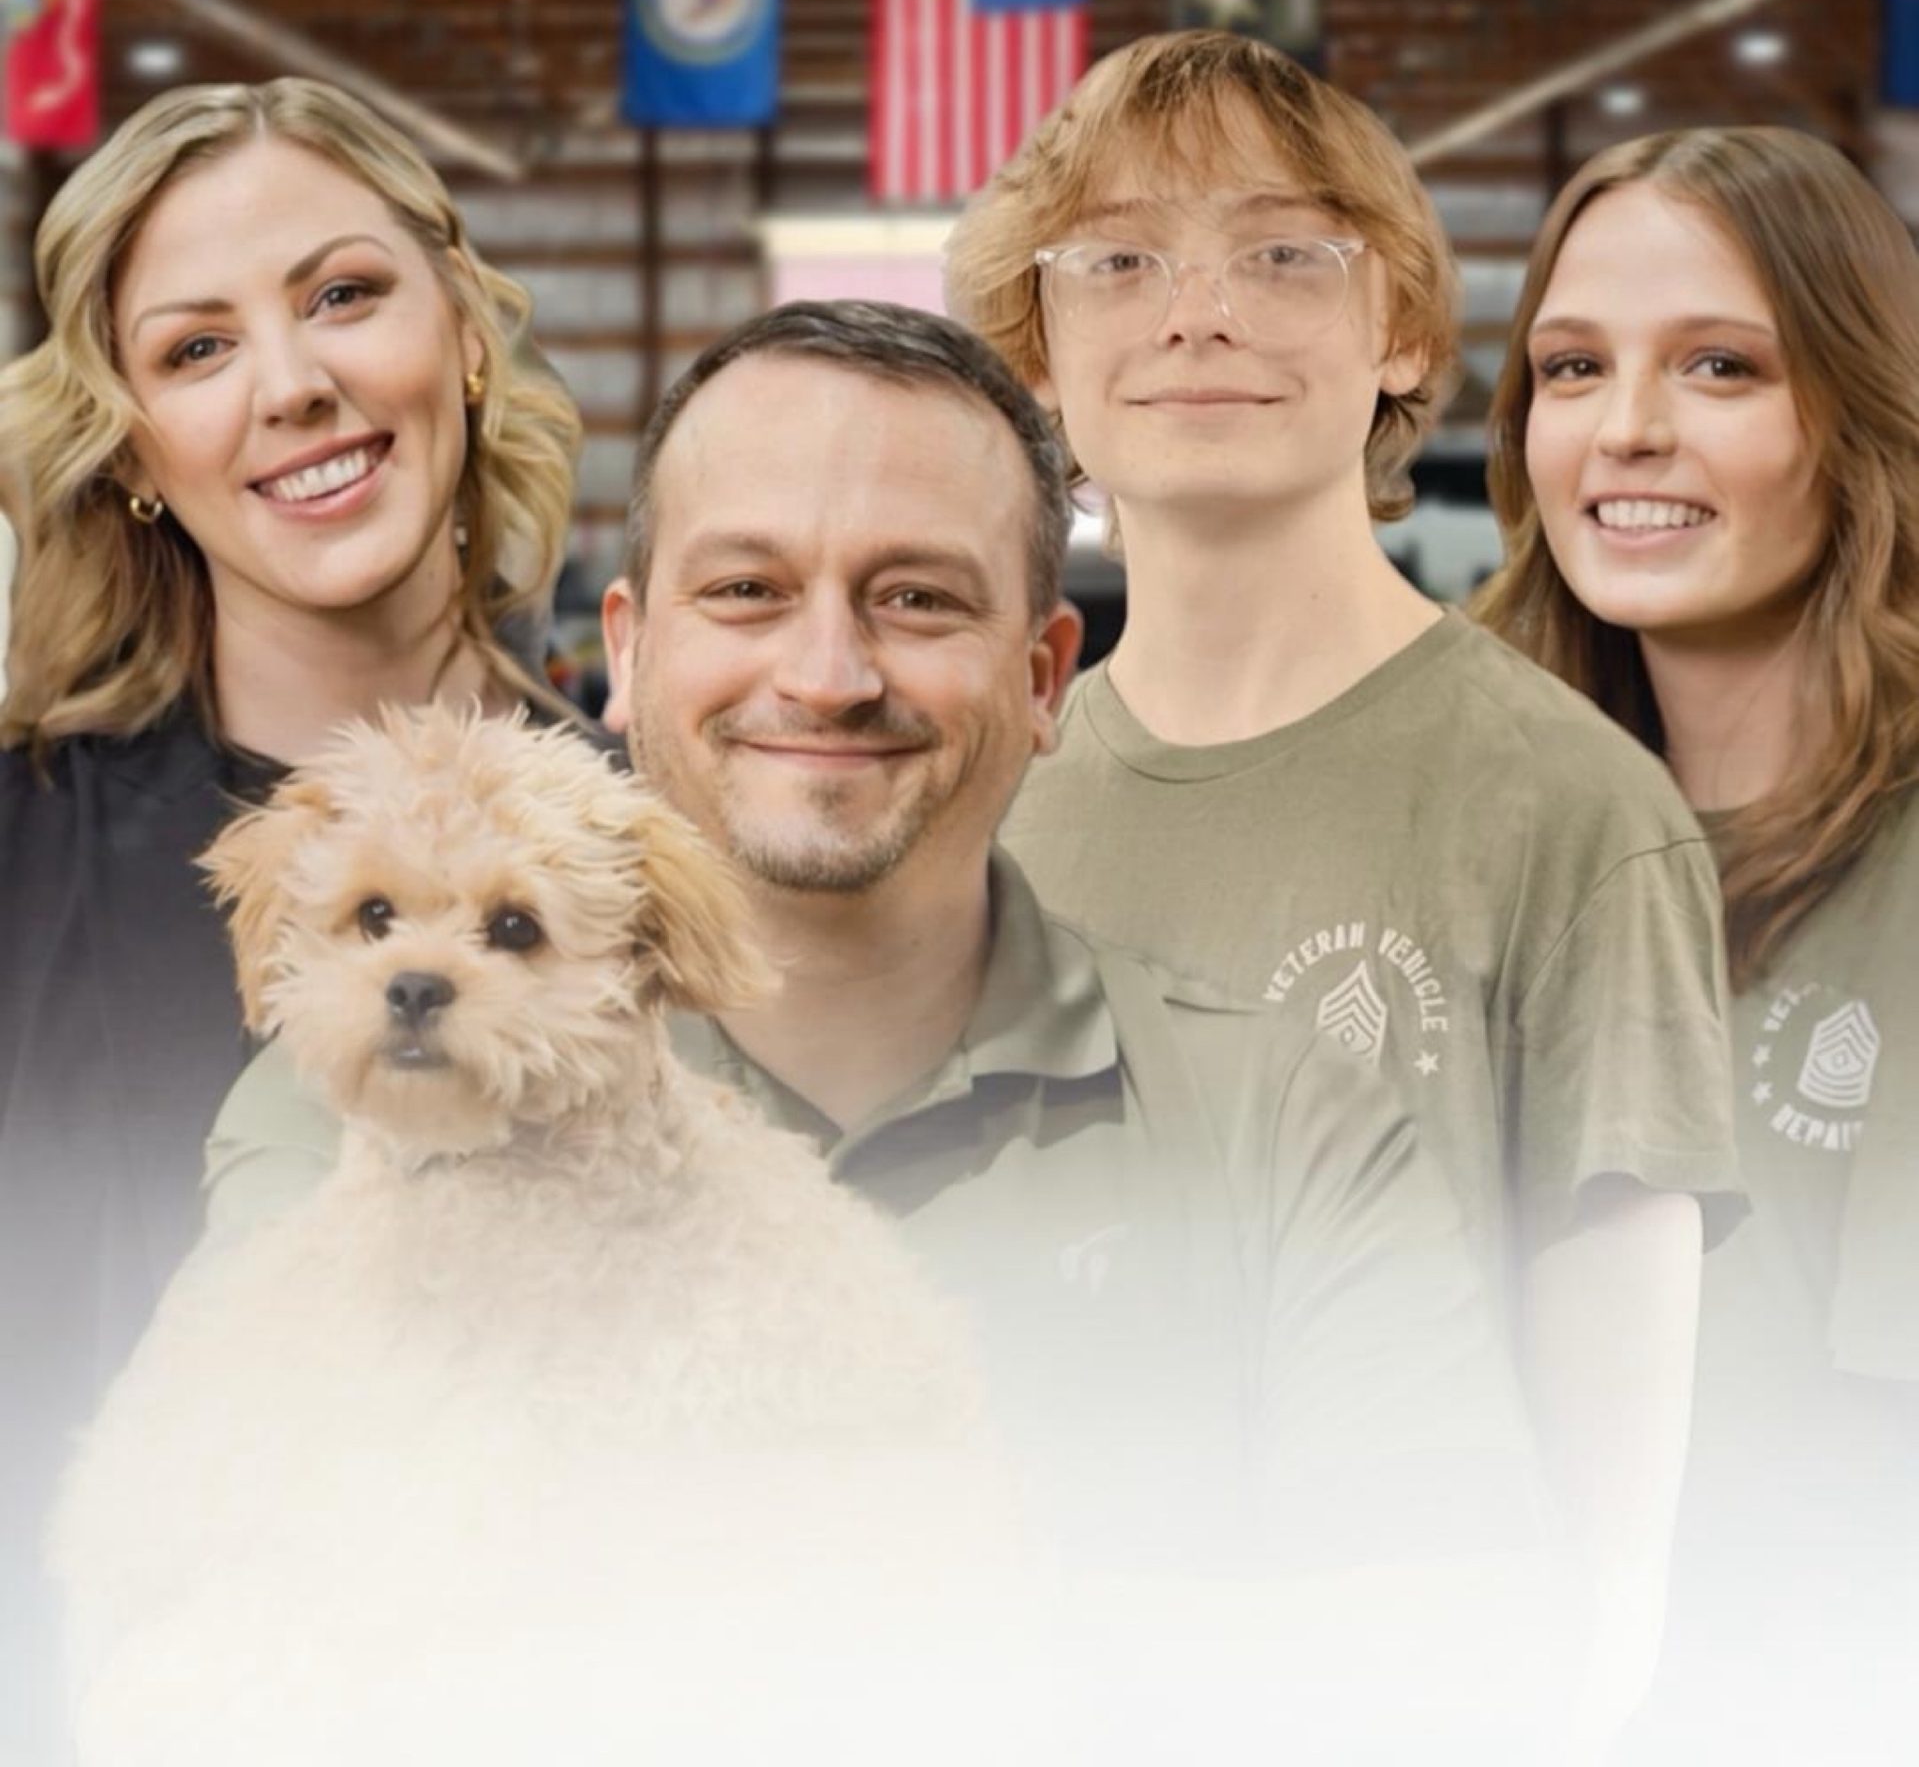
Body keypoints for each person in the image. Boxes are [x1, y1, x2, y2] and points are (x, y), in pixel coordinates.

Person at [207, 300, 1557, 1759]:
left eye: (917, 599)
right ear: (632, 653)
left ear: (1045, 677)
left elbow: (1458, 1668)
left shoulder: (1291, 1113)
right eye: (746, 591)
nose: (830, 674)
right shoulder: (349, 1109)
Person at [944, 29, 1745, 1726]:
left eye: (1282, 251)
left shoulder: (1576, 817)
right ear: (1041, 348)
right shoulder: (977, 808)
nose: (1196, 310)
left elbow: (1610, 1552)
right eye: (1121, 259)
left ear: (1397, 333)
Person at [0, 77, 582, 1765]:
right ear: (134, 453)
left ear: (463, 330)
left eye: (342, 295)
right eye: (197, 350)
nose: (295, 382)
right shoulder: (26, 860)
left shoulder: (654, 860)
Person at [1472, 124, 1919, 1757]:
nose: (1627, 432)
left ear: (1857, 415)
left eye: (1721, 366)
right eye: (1574, 368)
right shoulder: (1486, 839)